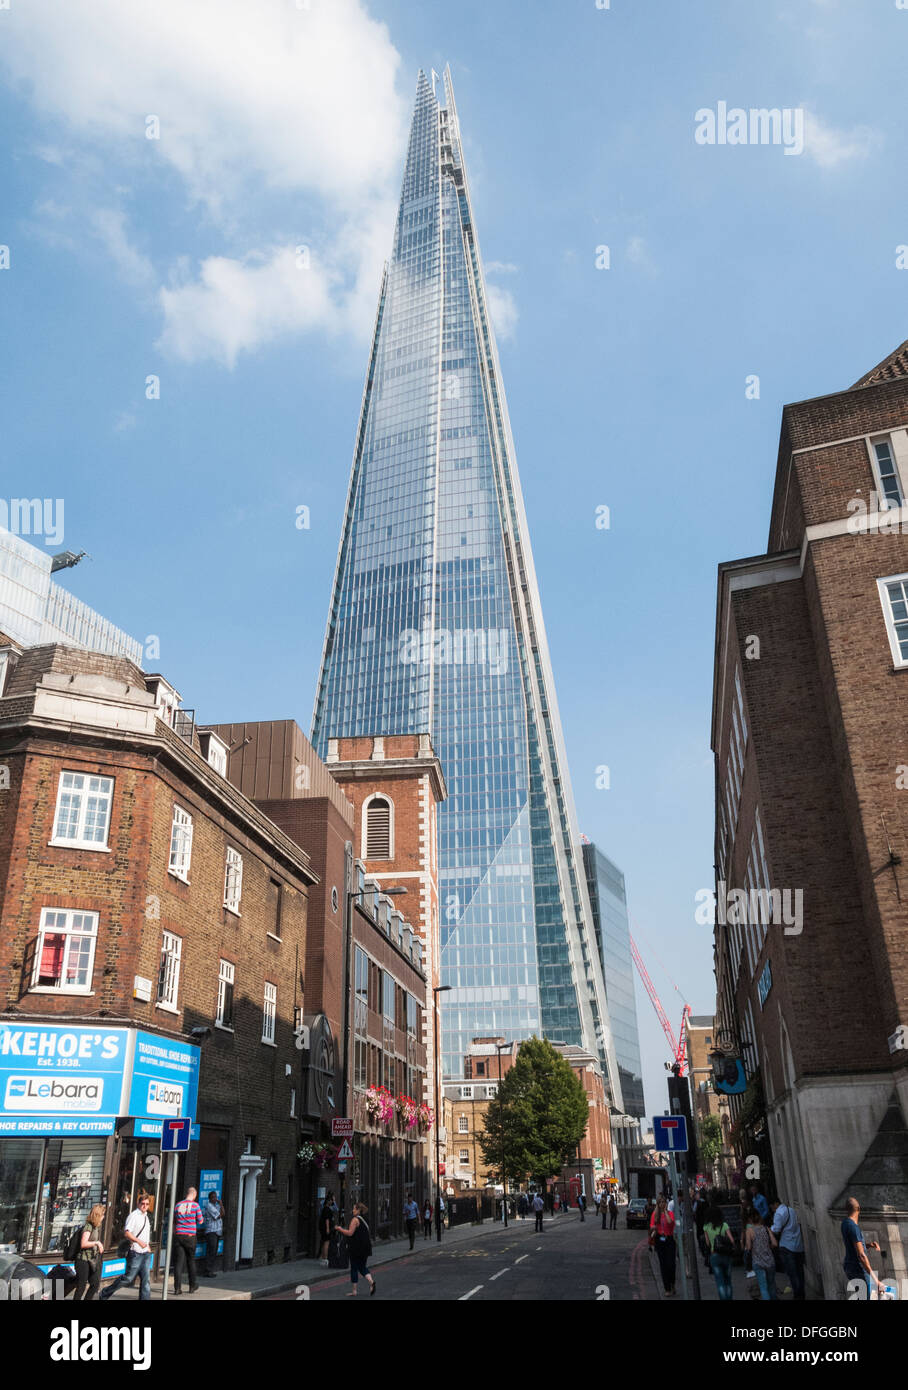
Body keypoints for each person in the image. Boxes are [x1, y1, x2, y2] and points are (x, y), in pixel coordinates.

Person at [99, 1195, 153, 1301]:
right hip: (135, 1252)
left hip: (145, 1253)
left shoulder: (146, 1217)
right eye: (143, 1204)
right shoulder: (134, 1216)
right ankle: (105, 1292)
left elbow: (145, 1235)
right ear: (138, 1204)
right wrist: (139, 1242)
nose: (145, 1206)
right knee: (128, 1278)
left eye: (147, 1204)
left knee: (146, 1281)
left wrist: (148, 1246)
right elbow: (127, 1233)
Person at [841, 1196, 883, 1299]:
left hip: (849, 1267)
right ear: (858, 1209)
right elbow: (861, 1255)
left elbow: (853, 1245)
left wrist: (868, 1245)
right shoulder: (854, 1228)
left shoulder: (845, 1223)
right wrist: (875, 1279)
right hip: (858, 1269)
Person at [336, 1201, 376, 1297]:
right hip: (366, 1247)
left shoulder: (355, 1220)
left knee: (354, 1267)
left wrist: (339, 1229)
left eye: (354, 1208)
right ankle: (371, 1282)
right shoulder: (366, 1219)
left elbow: (350, 1233)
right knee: (362, 1267)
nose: (353, 1210)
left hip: (356, 1248)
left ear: (358, 1210)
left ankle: (354, 1291)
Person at [770, 1197, 806, 1300]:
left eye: (772, 1207)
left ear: (775, 1204)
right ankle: (802, 1295)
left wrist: (770, 1228)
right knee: (800, 1272)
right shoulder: (791, 1210)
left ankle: (797, 1295)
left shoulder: (778, 1213)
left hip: (786, 1245)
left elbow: (776, 1229)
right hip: (798, 1245)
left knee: (792, 1274)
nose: (772, 1209)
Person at [172, 1186, 205, 1295]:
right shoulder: (195, 1205)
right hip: (190, 1236)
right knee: (191, 1261)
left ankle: (177, 1288)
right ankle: (192, 1286)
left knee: (178, 1263)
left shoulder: (177, 1205)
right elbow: (200, 1221)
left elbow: (175, 1221)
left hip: (179, 1235)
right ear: (194, 1195)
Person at [703, 1203, 736, 1301]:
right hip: (726, 1255)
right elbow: (732, 1240)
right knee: (728, 1281)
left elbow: (707, 1243)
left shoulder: (706, 1227)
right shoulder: (724, 1225)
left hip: (714, 1255)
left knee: (720, 1282)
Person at [73, 1203, 106, 1301]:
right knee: (81, 1286)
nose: (103, 1217)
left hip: (91, 1260)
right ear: (98, 1215)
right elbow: (83, 1244)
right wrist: (97, 1243)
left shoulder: (96, 1227)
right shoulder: (88, 1227)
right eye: (102, 1215)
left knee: (95, 1284)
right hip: (83, 1260)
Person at [744, 1207, 778, 1300]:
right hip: (770, 1261)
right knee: (771, 1285)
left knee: (763, 1287)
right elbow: (775, 1243)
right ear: (759, 1218)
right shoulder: (766, 1228)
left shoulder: (749, 1231)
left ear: (750, 1219)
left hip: (758, 1261)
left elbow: (749, 1247)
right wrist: (767, 1247)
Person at [649, 1194, 676, 1296]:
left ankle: (672, 1283)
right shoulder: (654, 1215)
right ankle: (667, 1288)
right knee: (663, 1265)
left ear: (666, 1203)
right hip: (660, 1240)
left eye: (663, 1202)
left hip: (669, 1240)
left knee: (671, 1265)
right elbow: (651, 1226)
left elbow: (670, 1222)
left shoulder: (670, 1213)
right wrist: (654, 1229)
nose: (662, 1204)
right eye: (660, 1202)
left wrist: (665, 1212)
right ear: (657, 1204)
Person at [202, 1191, 224, 1277]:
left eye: (216, 1197)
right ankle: (207, 1270)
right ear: (210, 1198)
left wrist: (221, 1205)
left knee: (213, 1251)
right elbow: (219, 1216)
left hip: (217, 1231)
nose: (215, 1199)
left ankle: (210, 1270)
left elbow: (223, 1213)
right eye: (213, 1197)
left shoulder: (216, 1205)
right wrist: (221, 1205)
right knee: (211, 1251)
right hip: (211, 1231)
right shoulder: (209, 1206)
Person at [318, 1196, 336, 1266]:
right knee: (326, 1243)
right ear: (328, 1201)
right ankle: (325, 1259)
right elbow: (327, 1220)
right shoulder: (327, 1209)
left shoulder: (324, 1208)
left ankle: (322, 1258)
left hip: (323, 1228)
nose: (333, 1202)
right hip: (326, 1229)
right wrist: (328, 1229)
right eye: (332, 1200)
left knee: (324, 1242)